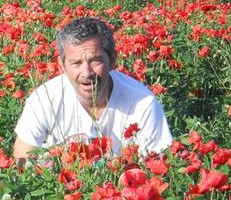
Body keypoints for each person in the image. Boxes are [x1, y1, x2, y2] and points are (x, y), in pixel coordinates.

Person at [13, 17, 172, 159]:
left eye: (96, 61)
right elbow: (23, 159)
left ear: (112, 60)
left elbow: (158, 164)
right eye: (76, 63)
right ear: (62, 66)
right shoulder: (44, 99)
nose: (87, 73)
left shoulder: (143, 103)